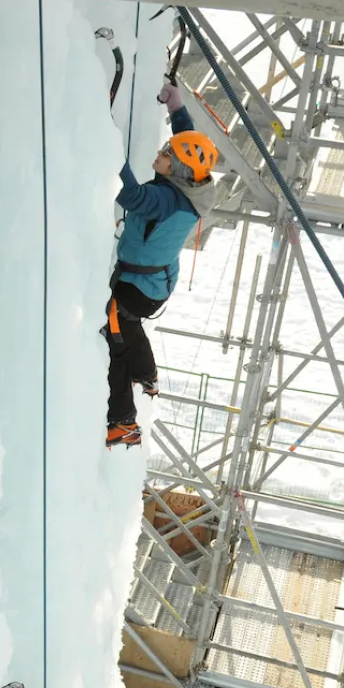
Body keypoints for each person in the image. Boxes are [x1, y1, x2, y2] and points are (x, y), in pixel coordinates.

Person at [104, 80, 222, 448]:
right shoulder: (191, 185)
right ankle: (147, 375)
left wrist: (108, 148)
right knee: (128, 322)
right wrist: (177, 109)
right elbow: (188, 142)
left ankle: (123, 420)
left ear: (178, 171)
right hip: (152, 283)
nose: (161, 152)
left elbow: (131, 195)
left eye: (166, 154)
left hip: (139, 288)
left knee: (116, 336)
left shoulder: (163, 200)